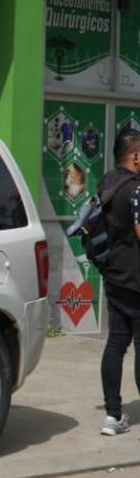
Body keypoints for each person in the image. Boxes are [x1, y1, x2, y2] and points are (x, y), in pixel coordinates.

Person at [99, 128, 140, 435]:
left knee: (115, 343)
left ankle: (112, 415)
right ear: (135, 156)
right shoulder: (136, 188)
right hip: (137, 278)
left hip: (114, 275)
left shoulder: (108, 183)